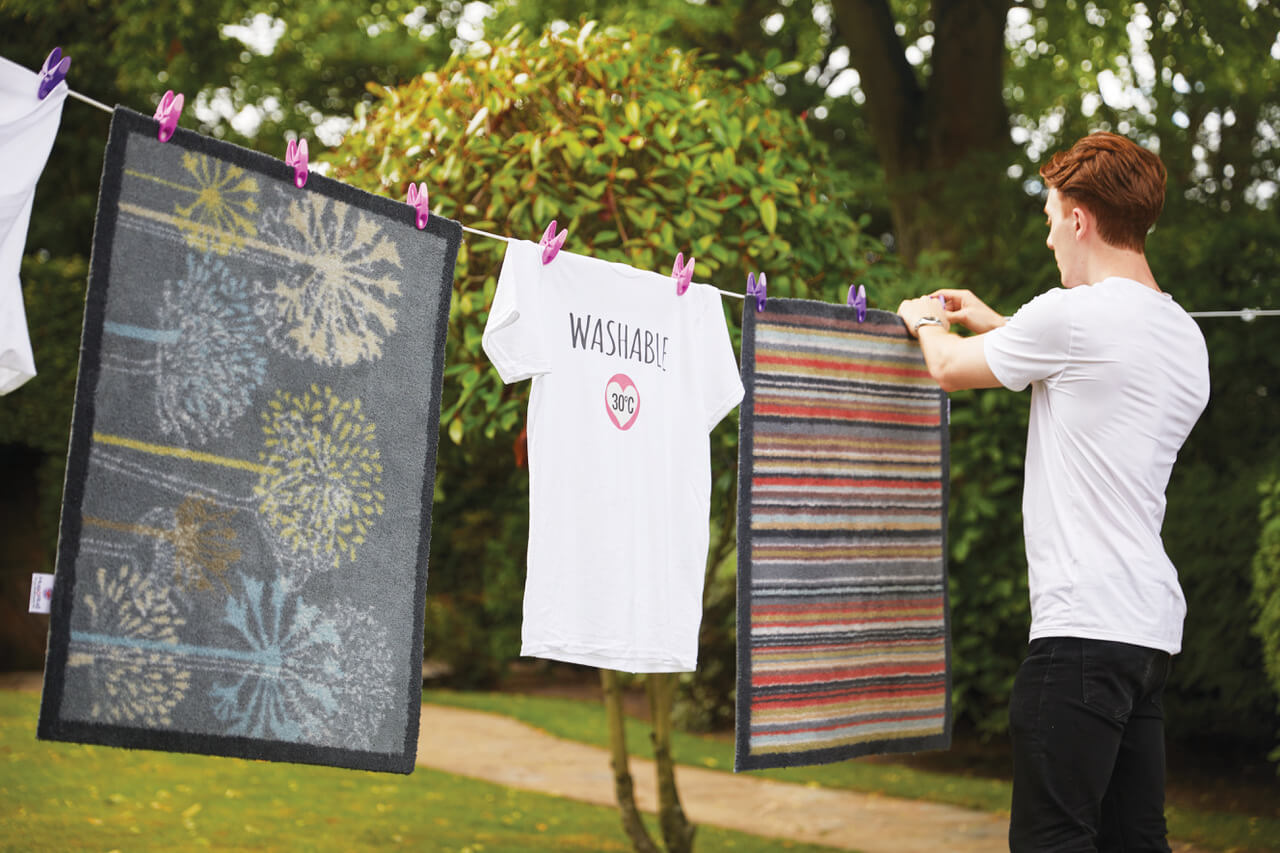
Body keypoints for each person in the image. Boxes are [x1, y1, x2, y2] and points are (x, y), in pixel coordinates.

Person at [896, 131, 1210, 852]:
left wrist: (924, 320)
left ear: (1079, 219)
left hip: (1078, 635)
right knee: (1137, 840)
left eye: (1049, 220)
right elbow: (1088, 377)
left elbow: (945, 367)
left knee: (1052, 840)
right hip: (1146, 637)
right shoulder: (1182, 335)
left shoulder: (1070, 316)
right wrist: (999, 322)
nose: (1049, 243)